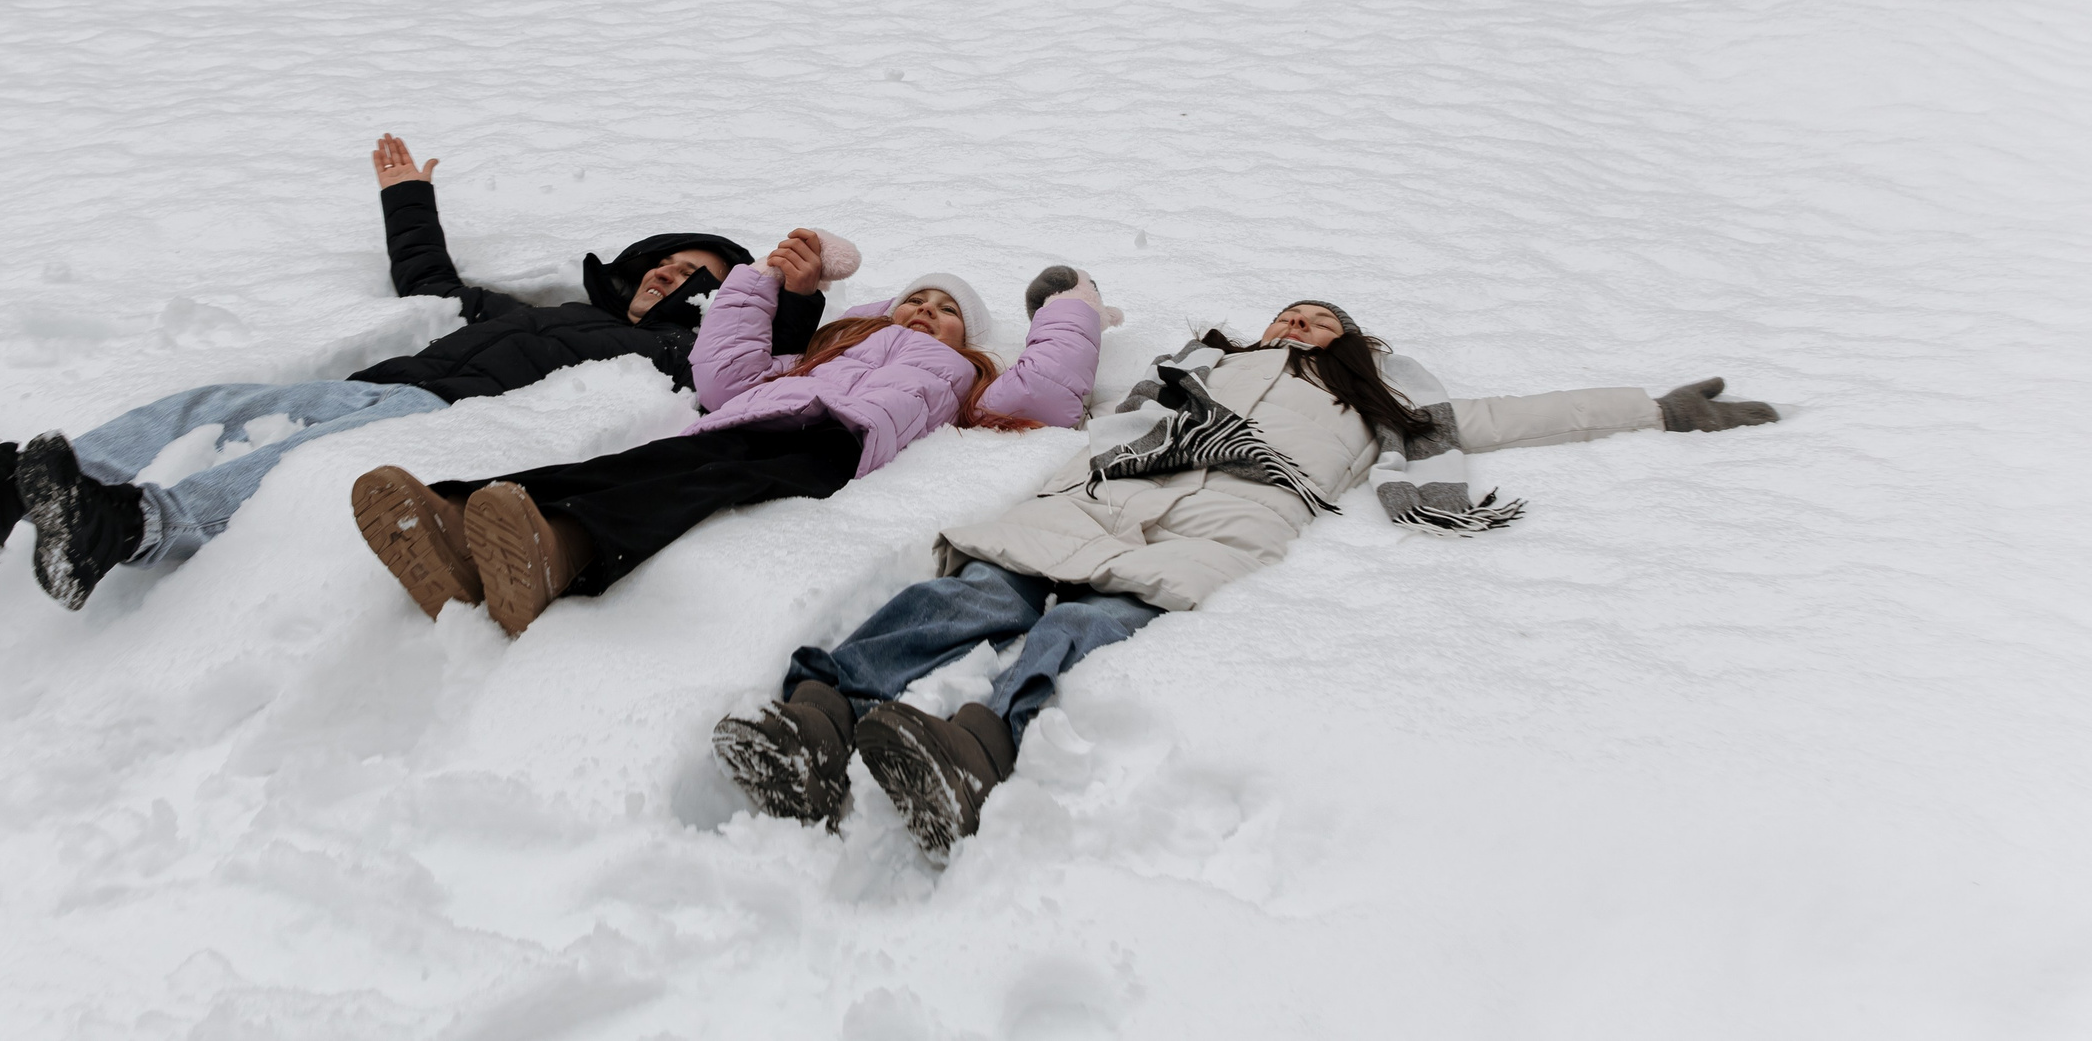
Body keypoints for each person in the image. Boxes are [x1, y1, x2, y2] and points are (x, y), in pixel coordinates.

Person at [714, 292, 1781, 855]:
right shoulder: (1200, 368)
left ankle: (978, 747)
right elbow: (1088, 407)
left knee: (1087, 624)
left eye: (1318, 319)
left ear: (1354, 342)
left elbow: (1504, 420)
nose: (1296, 324)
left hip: (1236, 512)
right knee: (973, 592)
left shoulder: (1378, 402)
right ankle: (817, 716)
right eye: (1287, 314)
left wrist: (1651, 406)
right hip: (1109, 489)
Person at [0, 133, 826, 610]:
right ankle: (2, 488)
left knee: (292, 459)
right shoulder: (552, 313)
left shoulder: (674, 362)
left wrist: (786, 289)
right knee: (210, 402)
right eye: (664, 260)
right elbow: (434, 286)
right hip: (391, 374)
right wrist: (407, 197)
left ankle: (126, 528)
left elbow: (761, 365)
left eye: (696, 277)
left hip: (445, 415)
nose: (669, 273)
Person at [352, 235, 1113, 637]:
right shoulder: (829, 348)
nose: (923, 311)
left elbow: (1045, 391)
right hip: (758, 415)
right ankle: (458, 517)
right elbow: (724, 375)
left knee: (692, 485)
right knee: (633, 463)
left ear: (968, 338)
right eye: (914, 298)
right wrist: (761, 282)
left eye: (945, 310)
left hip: (835, 444)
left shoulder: (962, 378)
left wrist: (1071, 307)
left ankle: (559, 549)